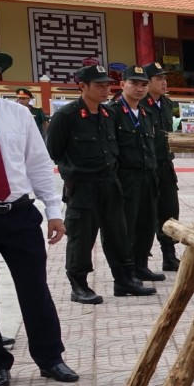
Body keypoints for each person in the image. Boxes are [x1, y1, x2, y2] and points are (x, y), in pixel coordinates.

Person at [0, 49, 78, 386]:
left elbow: (38, 163)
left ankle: (50, 357)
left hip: (20, 213)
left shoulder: (18, 114)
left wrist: (53, 211)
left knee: (35, 289)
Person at [45, 65, 154, 303]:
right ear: (82, 86)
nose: (105, 89)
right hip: (83, 187)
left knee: (118, 234)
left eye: (107, 85)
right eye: (99, 85)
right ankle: (79, 285)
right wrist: (71, 175)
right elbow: (52, 152)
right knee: (82, 237)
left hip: (110, 184)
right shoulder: (67, 116)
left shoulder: (108, 114)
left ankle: (124, 280)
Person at [108, 65, 163, 282]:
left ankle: (141, 265)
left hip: (148, 176)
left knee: (146, 224)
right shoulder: (112, 112)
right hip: (125, 178)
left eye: (143, 84)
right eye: (134, 83)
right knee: (125, 227)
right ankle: (125, 272)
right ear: (122, 85)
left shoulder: (145, 113)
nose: (139, 88)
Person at [142, 62, 181, 271]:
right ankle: (141, 262)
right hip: (146, 168)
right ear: (147, 83)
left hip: (165, 165)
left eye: (164, 78)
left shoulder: (167, 104)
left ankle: (169, 255)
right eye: (159, 79)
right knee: (146, 214)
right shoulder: (138, 104)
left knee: (170, 210)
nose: (164, 82)